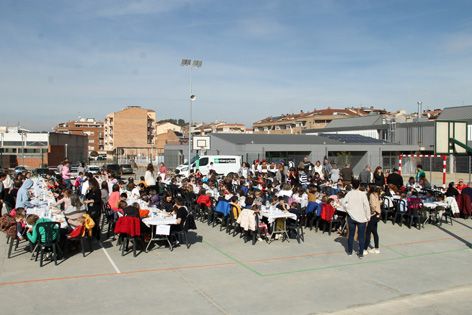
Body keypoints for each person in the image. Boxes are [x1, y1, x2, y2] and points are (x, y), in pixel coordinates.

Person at [342, 179, 370, 257]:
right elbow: (366, 206)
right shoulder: (363, 194)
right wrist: (368, 216)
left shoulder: (349, 193)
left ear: (352, 185)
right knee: (361, 236)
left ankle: (350, 252)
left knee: (351, 234)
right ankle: (361, 253)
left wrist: (348, 209)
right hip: (361, 217)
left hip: (351, 217)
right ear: (359, 185)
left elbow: (343, 203)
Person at [364, 186, 381, 255]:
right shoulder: (377, 195)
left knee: (368, 232)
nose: (367, 188)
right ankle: (376, 248)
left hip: (373, 215)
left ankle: (364, 249)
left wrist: (372, 211)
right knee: (374, 232)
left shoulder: (371, 195)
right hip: (377, 215)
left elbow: (373, 205)